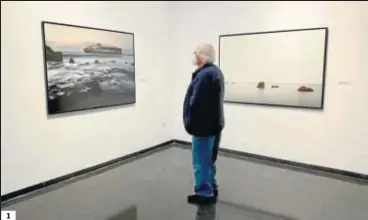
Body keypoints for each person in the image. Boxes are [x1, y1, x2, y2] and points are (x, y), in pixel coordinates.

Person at [183, 43, 225, 205]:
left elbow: (197, 104)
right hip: (215, 124)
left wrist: (190, 122)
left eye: (195, 53)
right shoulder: (216, 72)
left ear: (201, 56)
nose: (194, 56)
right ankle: (212, 187)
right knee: (209, 160)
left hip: (203, 127)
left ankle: (204, 193)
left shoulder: (204, 75)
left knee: (201, 162)